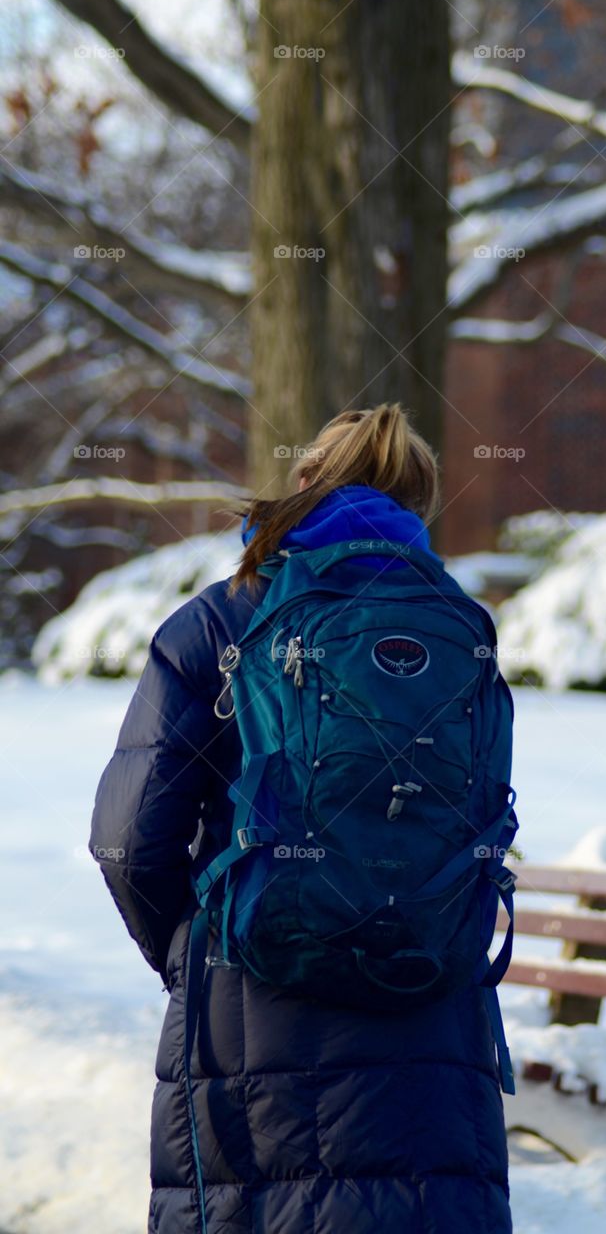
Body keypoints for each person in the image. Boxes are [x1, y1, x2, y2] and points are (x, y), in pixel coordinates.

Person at [91, 403, 513, 1234]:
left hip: (252, 1017)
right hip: (429, 1013)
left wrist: (197, 946)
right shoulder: (460, 628)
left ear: (306, 483)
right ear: (416, 504)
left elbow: (129, 838)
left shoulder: (219, 621)